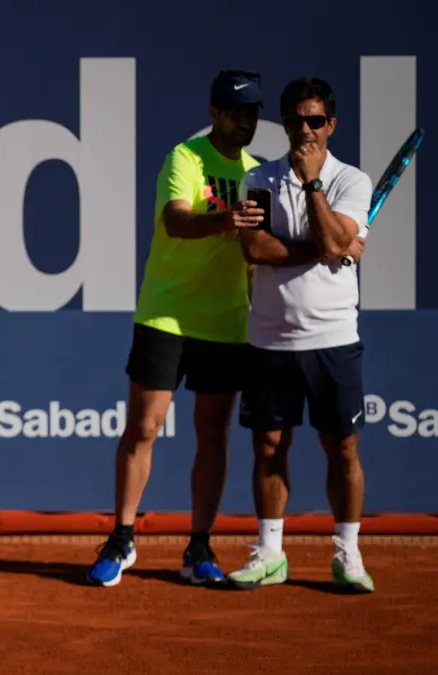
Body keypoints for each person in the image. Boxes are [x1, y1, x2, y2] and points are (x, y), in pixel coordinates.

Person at [87, 70, 267, 587]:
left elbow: (257, 258)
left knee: (212, 433)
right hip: (165, 315)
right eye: (234, 112)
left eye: (251, 112)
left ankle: (199, 547)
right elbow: (177, 221)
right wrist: (226, 219)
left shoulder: (258, 174)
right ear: (214, 113)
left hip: (226, 321)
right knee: (144, 427)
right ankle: (122, 539)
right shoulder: (185, 158)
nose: (244, 121)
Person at [228, 76, 374, 592]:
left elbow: (330, 240)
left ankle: (347, 554)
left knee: (344, 450)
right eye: (295, 120)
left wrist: (313, 184)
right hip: (270, 339)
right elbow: (256, 250)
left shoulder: (352, 182)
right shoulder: (258, 180)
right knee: (269, 447)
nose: (305, 130)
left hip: (333, 338)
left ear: (330, 124)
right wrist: (330, 248)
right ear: (286, 125)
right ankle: (270, 553)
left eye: (315, 120)